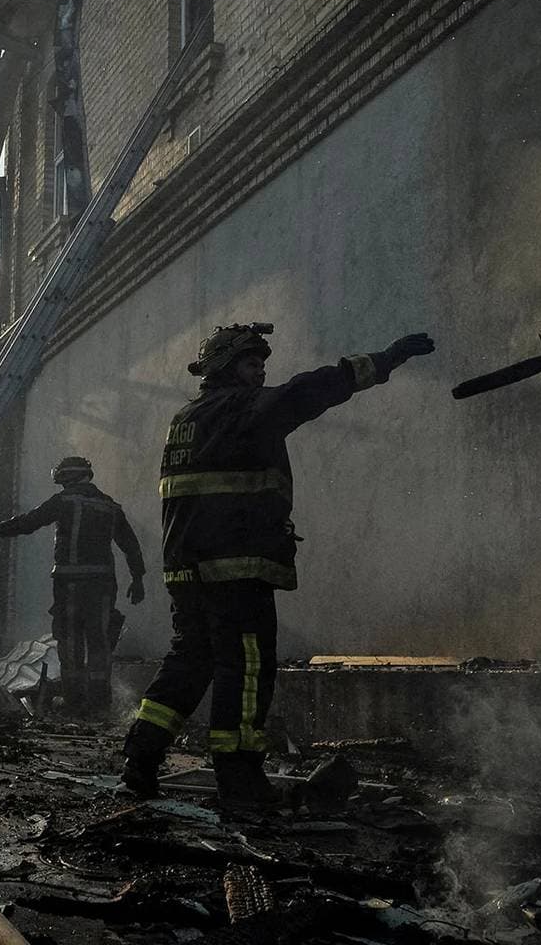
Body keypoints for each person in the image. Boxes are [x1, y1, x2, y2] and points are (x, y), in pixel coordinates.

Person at [120, 322, 435, 805]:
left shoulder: (186, 418)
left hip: (187, 571)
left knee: (190, 662)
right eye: (251, 364)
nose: (260, 373)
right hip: (236, 569)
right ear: (225, 366)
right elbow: (306, 391)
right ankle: (239, 777)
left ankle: (139, 759)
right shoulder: (241, 408)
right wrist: (382, 360)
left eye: (262, 364)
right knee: (245, 669)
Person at [0, 456, 147, 712]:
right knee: (99, 643)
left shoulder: (64, 501)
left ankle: (75, 702)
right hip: (102, 587)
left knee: (70, 643)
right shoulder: (110, 506)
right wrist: (138, 578)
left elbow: (30, 521)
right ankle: (99, 704)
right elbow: (130, 546)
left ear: (67, 477)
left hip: (70, 585)